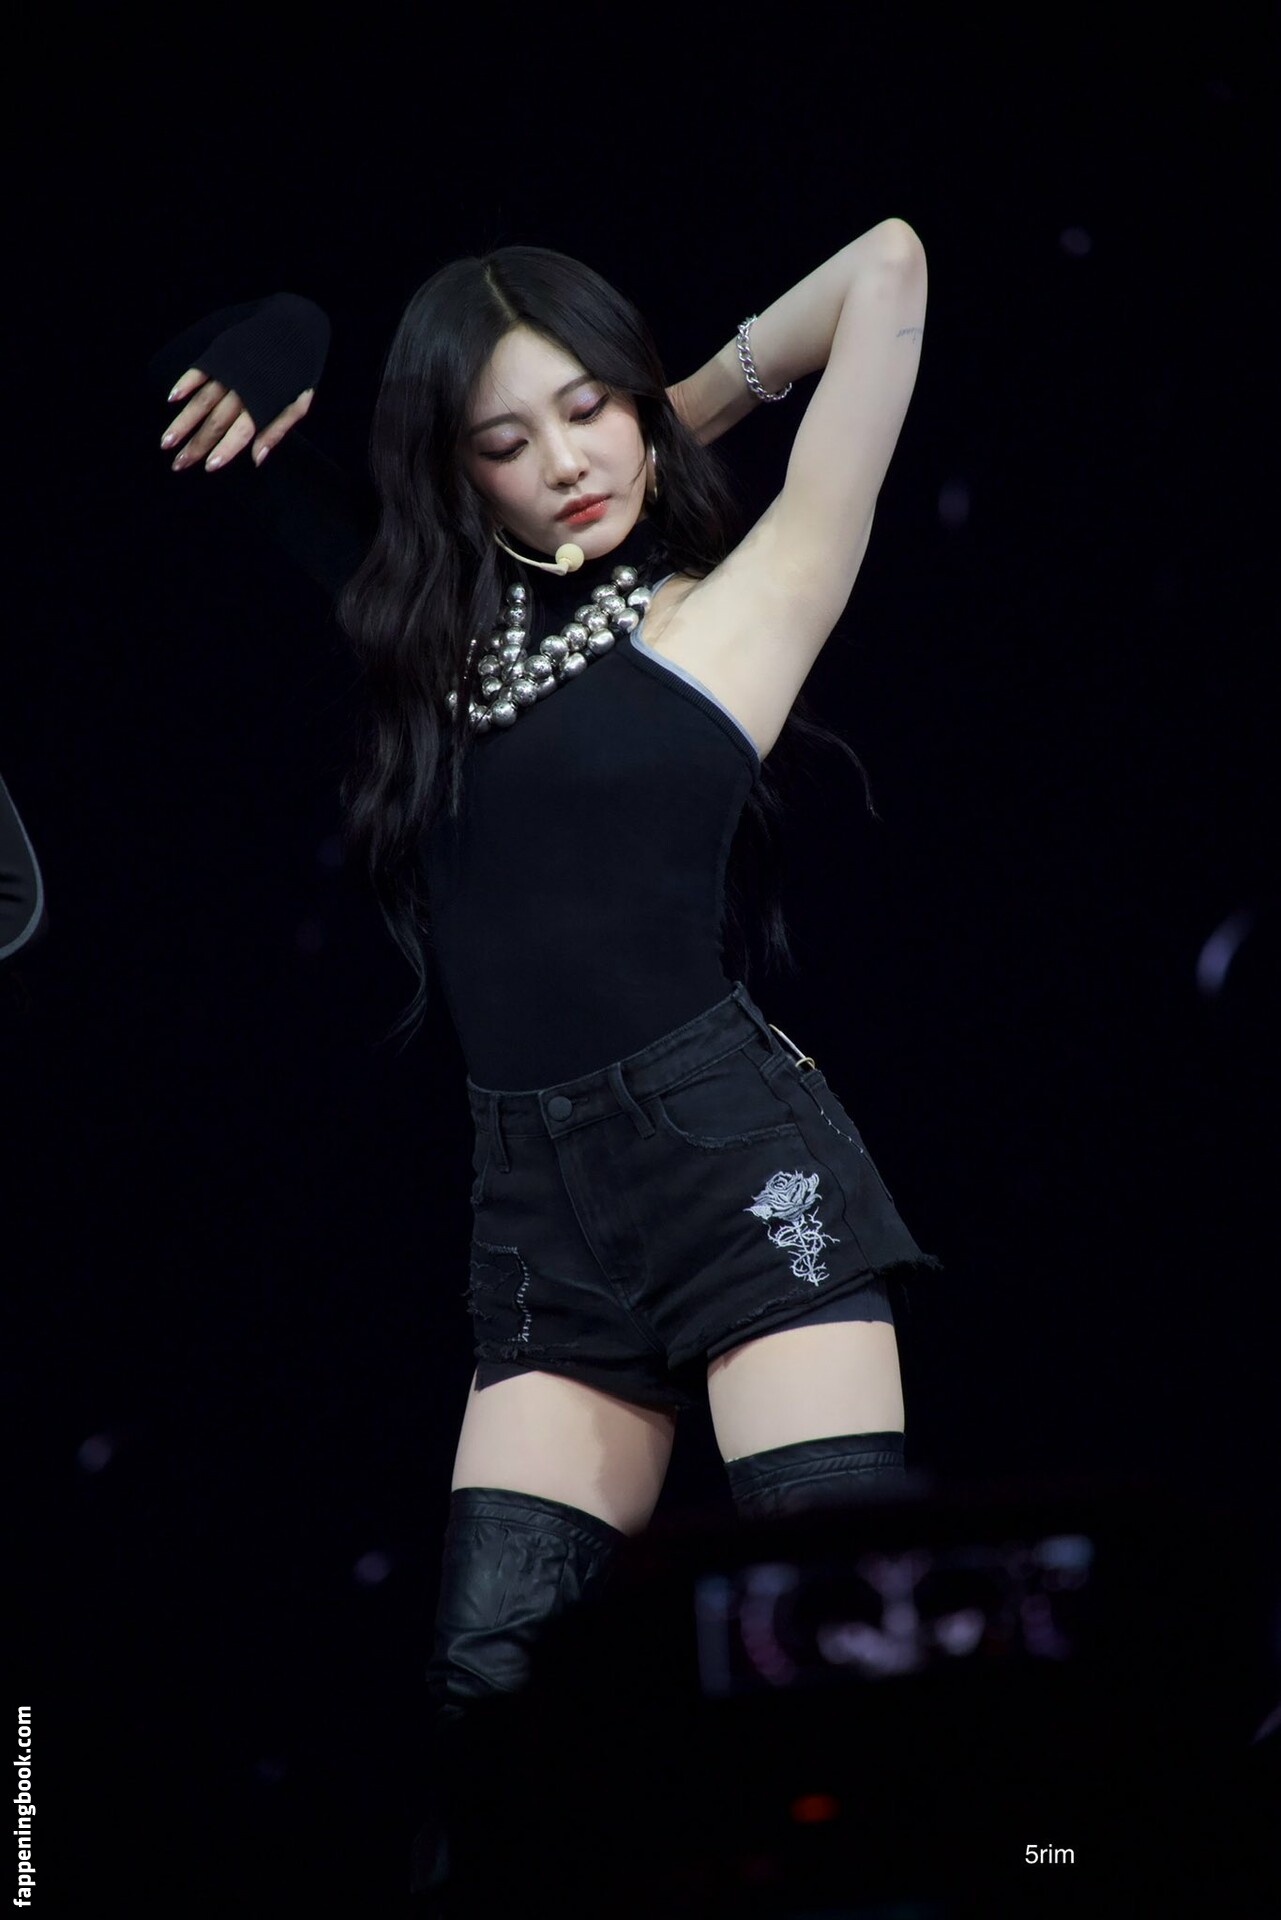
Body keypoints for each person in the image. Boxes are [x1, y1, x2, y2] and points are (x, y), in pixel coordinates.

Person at [143, 222, 941, 1895]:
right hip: (538, 1224)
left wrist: (677, 408)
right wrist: (289, 323)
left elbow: (886, 265)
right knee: (490, 1726)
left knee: (841, 1671)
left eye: (585, 411)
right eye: (506, 442)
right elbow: (222, 404)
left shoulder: (741, 604)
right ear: (462, 475)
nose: (563, 464)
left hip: (737, 1179)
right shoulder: (440, 641)